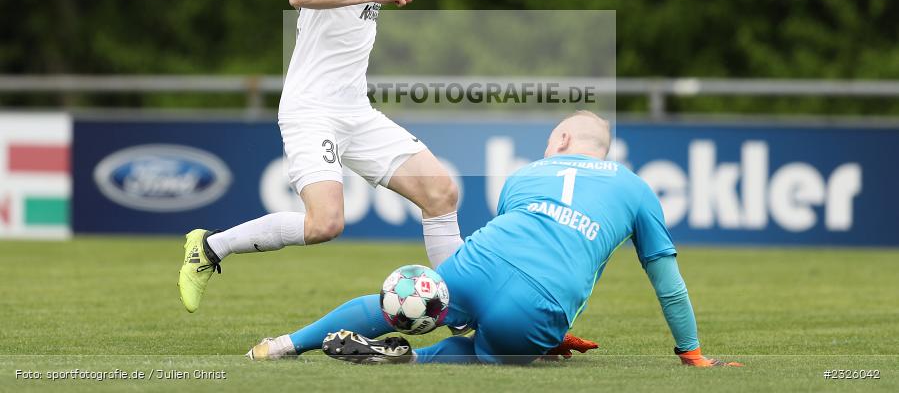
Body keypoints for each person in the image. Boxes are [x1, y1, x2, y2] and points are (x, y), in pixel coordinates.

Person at [178, 0, 462, 313]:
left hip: (355, 111)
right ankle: (209, 248)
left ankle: (462, 311)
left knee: (440, 191)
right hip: (312, 110)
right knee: (325, 223)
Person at [245, 111, 742, 367]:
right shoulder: (636, 189)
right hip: (538, 305)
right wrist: (690, 352)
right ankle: (411, 360)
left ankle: (282, 346)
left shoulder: (526, 175)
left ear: (563, 142)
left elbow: (514, 246)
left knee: (406, 301)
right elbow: (669, 284)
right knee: (495, 352)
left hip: (475, 265)